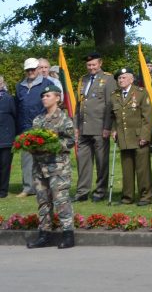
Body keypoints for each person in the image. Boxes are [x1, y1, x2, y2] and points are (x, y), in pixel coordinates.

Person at [26, 83, 76, 249]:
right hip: (40, 168)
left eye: (47, 96)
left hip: (57, 167)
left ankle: (68, 234)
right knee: (43, 202)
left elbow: (70, 140)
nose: (44, 99)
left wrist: (53, 144)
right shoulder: (38, 120)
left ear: (57, 98)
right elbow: (33, 140)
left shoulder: (63, 118)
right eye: (43, 96)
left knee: (61, 200)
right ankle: (44, 235)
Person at [73, 52, 116, 202]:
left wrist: (108, 127)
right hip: (84, 128)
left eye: (94, 64)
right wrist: (76, 127)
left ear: (100, 63)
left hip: (99, 127)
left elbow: (110, 104)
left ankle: (100, 191)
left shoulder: (108, 79)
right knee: (83, 162)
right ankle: (82, 192)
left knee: (101, 161)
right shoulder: (83, 80)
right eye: (89, 65)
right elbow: (79, 105)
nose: (91, 67)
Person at [110, 67, 152, 206]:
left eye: (123, 78)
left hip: (139, 136)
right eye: (119, 78)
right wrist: (114, 129)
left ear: (131, 79)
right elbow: (114, 116)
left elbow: (147, 117)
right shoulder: (115, 95)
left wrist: (145, 136)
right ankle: (127, 197)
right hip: (123, 136)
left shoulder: (141, 93)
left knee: (143, 169)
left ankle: (145, 196)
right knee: (127, 170)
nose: (120, 80)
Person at [15, 58, 54, 197]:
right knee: (26, 159)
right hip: (24, 127)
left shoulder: (47, 84)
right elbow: (17, 107)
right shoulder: (19, 86)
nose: (31, 72)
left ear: (38, 69)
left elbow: (52, 105)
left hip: (42, 126)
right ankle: (28, 188)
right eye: (28, 70)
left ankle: (46, 186)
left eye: (33, 69)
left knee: (44, 158)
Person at [0, 76, 16, 198]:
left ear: (2, 84)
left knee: (5, 165)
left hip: (6, 137)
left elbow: (15, 115)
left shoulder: (9, 99)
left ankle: (3, 190)